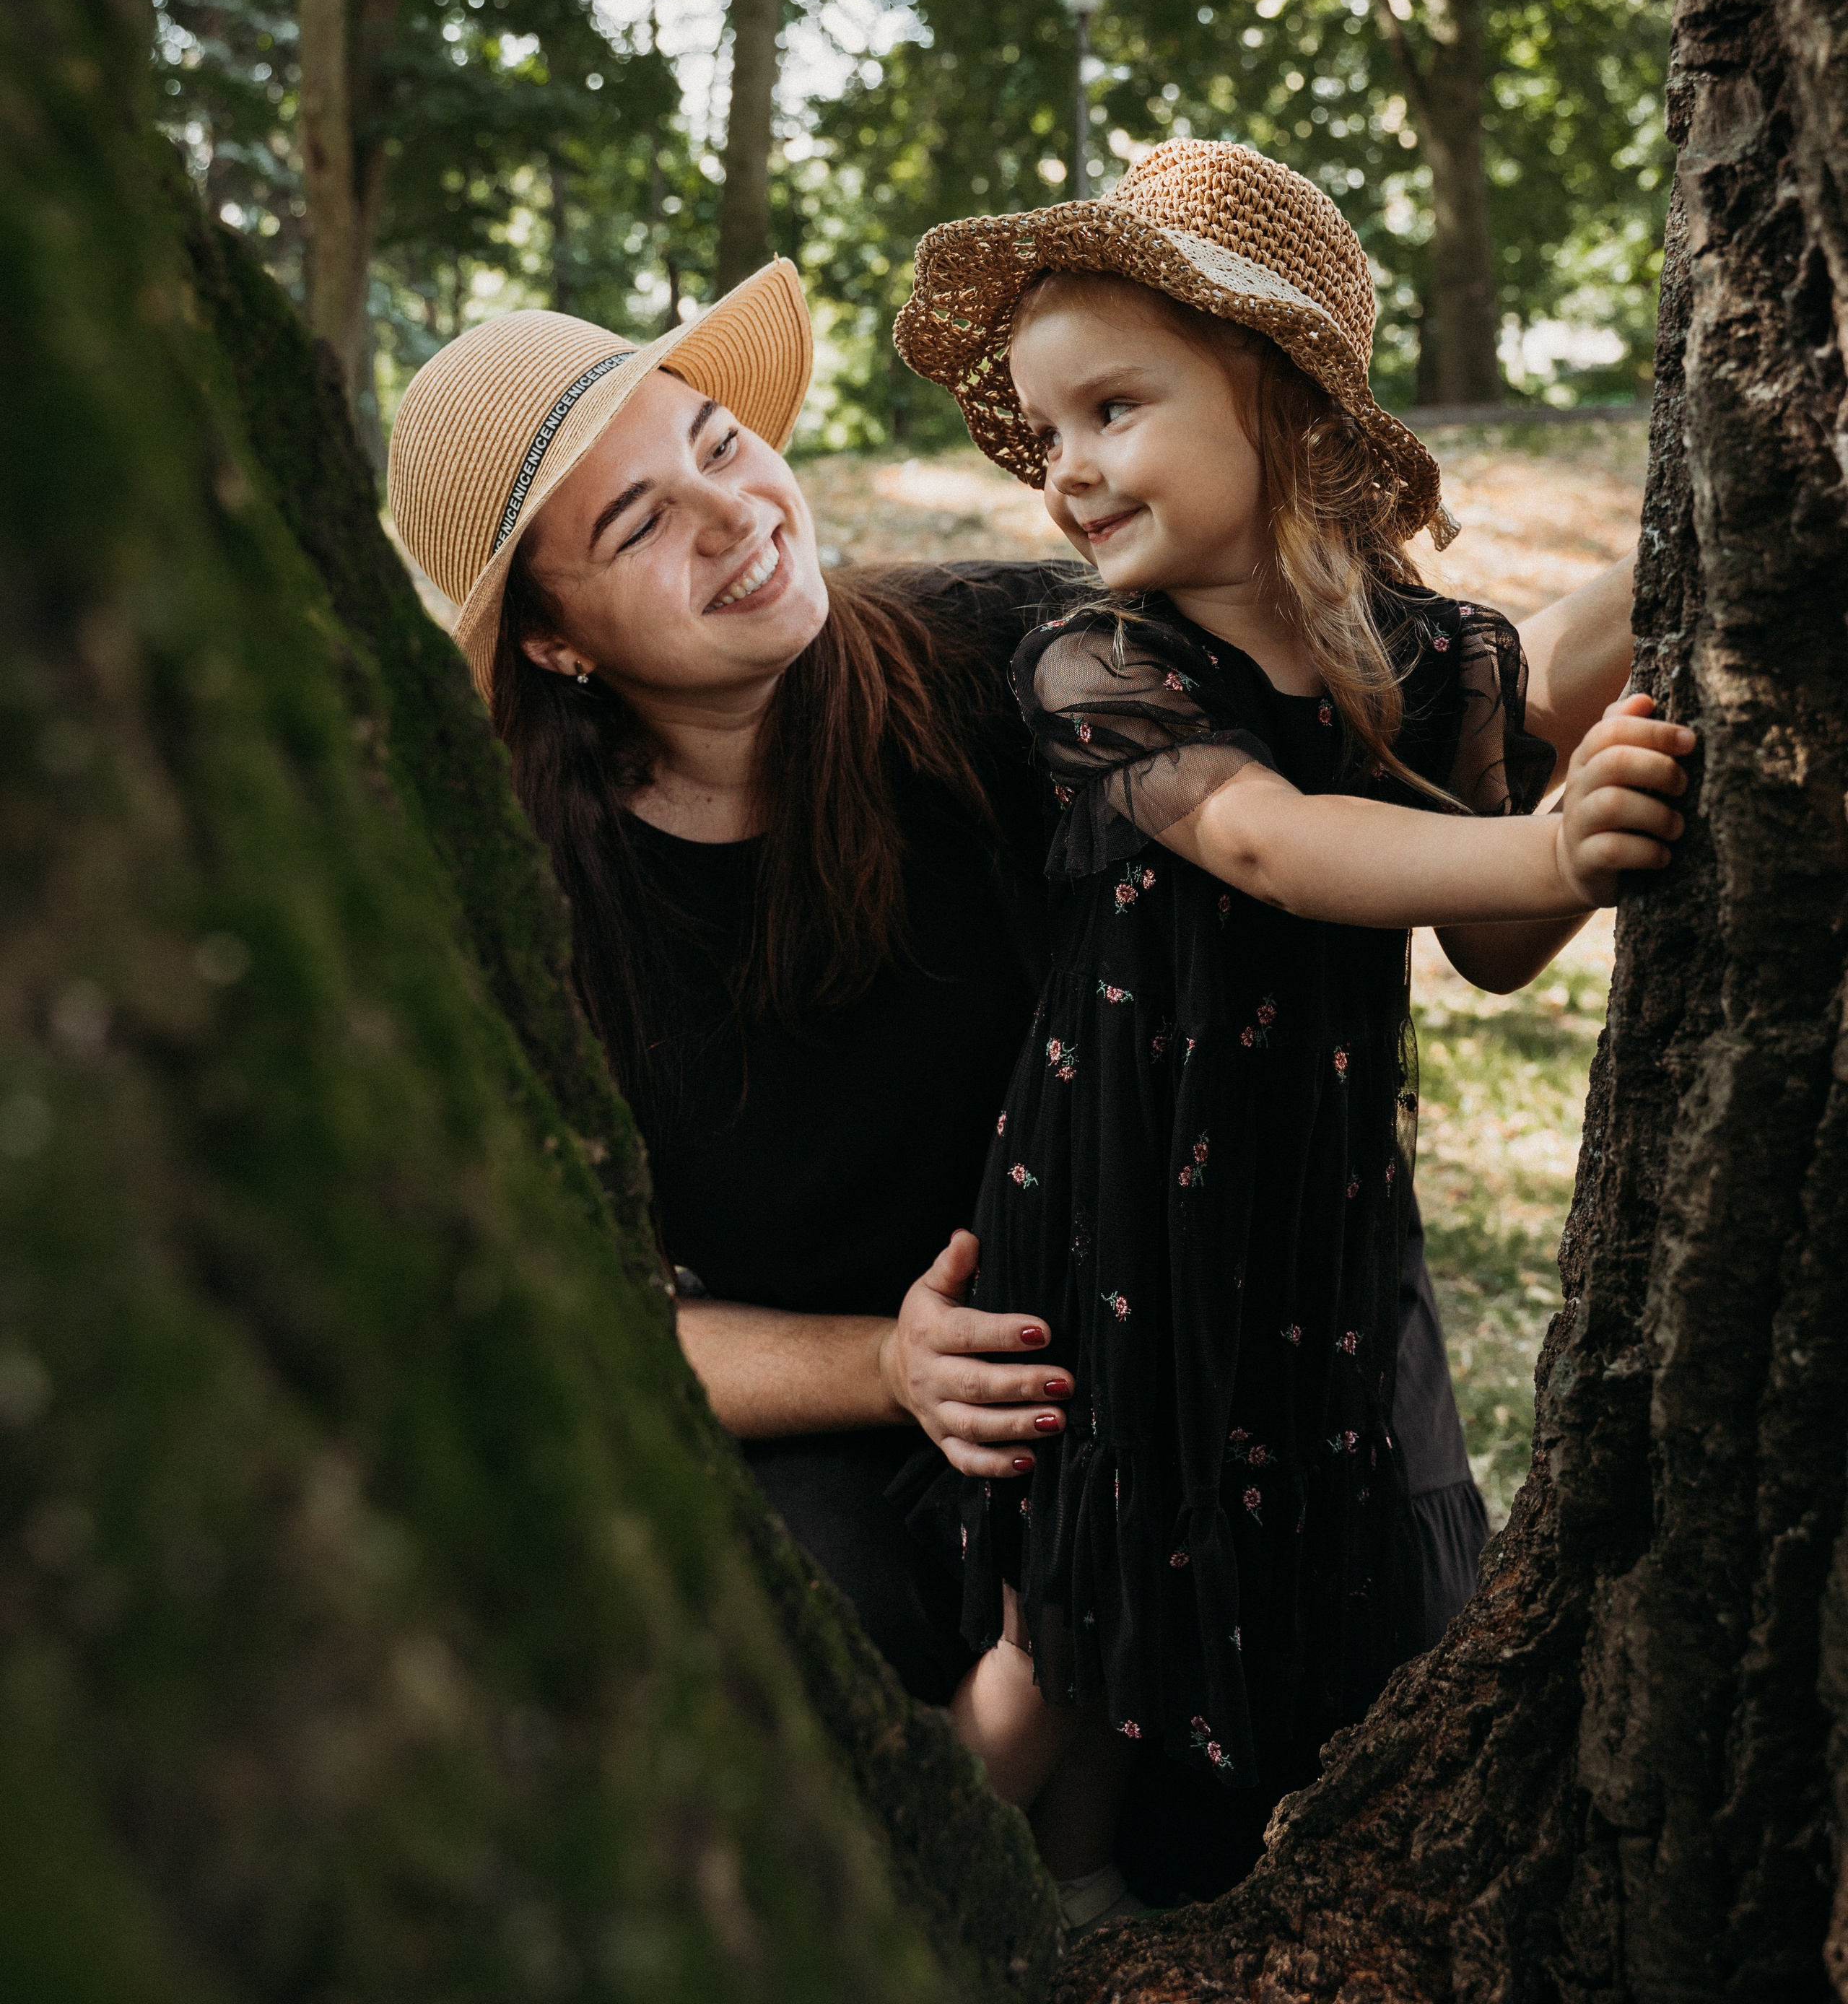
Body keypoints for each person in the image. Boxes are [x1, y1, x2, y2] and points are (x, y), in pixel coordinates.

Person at [385, 237, 1642, 1915]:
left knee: (1316, 1806)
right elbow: (567, 1321)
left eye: (711, 442)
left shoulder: (1016, 658)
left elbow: (1373, 726)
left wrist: (1672, 588)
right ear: (549, 643)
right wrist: (886, 1363)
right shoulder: (526, 923)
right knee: (853, 1742)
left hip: (1226, 1328)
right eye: (634, 524)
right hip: (877, 1443)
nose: (730, 511)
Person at [890, 138, 1692, 1911]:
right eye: (1046, 431)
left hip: (1310, 1231)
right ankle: (898, 1914)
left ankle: (1136, 1904)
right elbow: (1265, 838)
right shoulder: (1099, 666)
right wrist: (1540, 832)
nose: (1069, 471)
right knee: (1064, 1650)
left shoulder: (1423, 653)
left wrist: (1587, 851)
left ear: (1279, 405)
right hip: (1107, 1229)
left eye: (1112, 407)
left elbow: (1486, 942)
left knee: (1287, 1605)